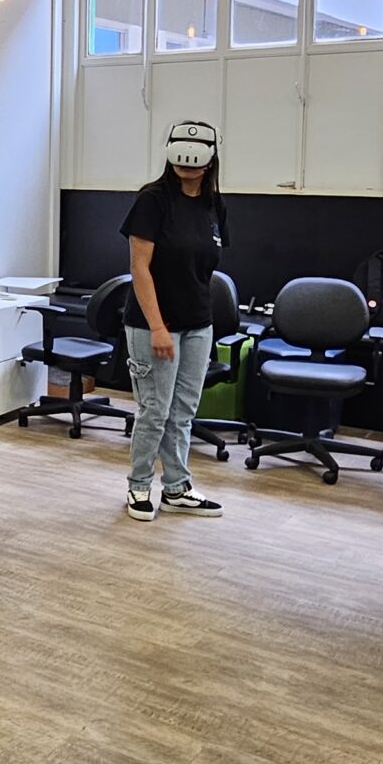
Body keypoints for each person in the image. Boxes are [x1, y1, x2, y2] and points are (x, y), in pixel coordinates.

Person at [121, 119, 228, 520]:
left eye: (196, 162)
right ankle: (138, 486)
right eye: (182, 160)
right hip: (153, 324)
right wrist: (158, 327)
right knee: (154, 411)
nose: (188, 167)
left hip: (198, 323)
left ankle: (177, 487)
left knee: (183, 412)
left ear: (210, 162)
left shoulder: (214, 205)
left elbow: (206, 265)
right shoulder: (152, 200)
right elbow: (140, 268)